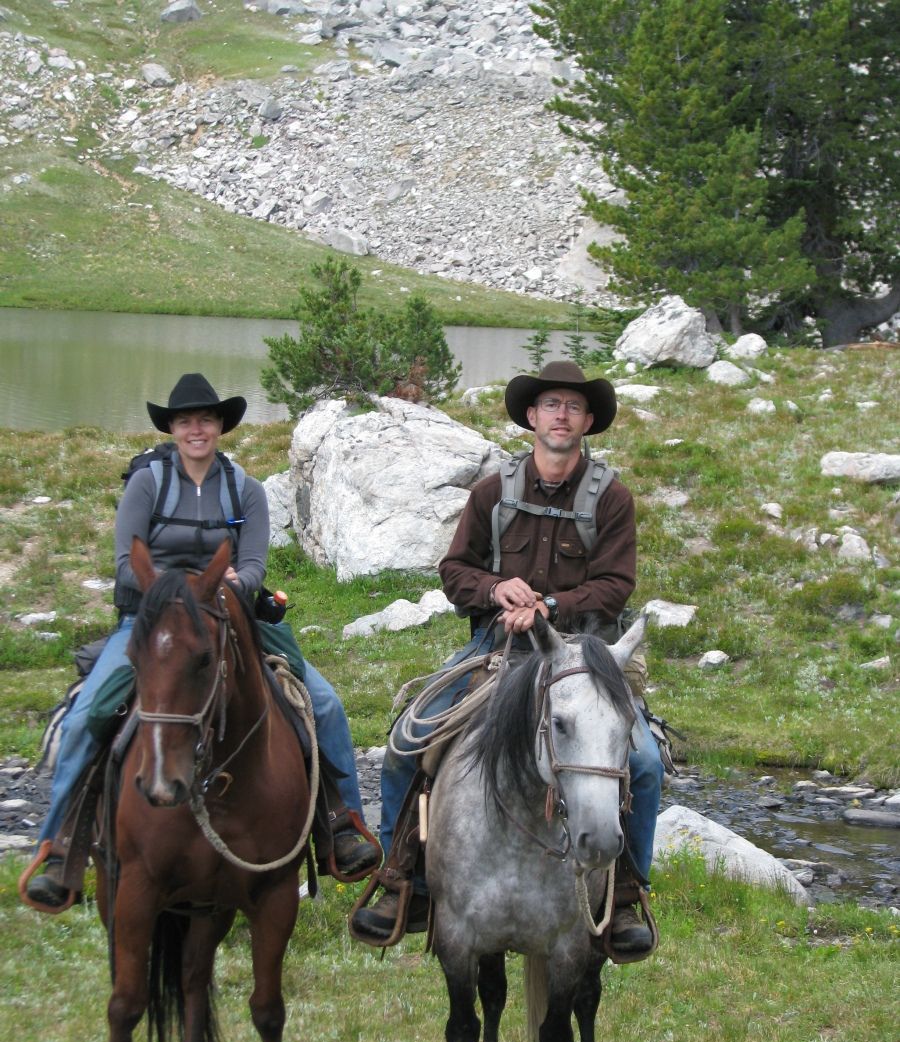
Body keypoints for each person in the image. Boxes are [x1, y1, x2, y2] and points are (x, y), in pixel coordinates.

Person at [25, 373, 378, 908]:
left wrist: (237, 584)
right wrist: (179, 589)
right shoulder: (146, 484)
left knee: (324, 705)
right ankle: (62, 845)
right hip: (152, 623)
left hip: (230, 619)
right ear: (171, 427)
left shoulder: (245, 489)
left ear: (220, 426)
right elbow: (125, 565)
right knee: (85, 717)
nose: (197, 428)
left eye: (207, 419)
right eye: (186, 419)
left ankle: (340, 823)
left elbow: (255, 565)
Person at [350, 361, 664, 955]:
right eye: (551, 405)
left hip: (581, 654)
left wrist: (548, 602)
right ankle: (403, 879)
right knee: (405, 744)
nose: (561, 415)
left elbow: (615, 585)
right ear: (531, 417)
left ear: (589, 421)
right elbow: (454, 570)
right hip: (497, 648)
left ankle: (623, 892)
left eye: (573, 406)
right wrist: (496, 590)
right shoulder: (492, 493)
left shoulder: (612, 498)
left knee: (644, 763)